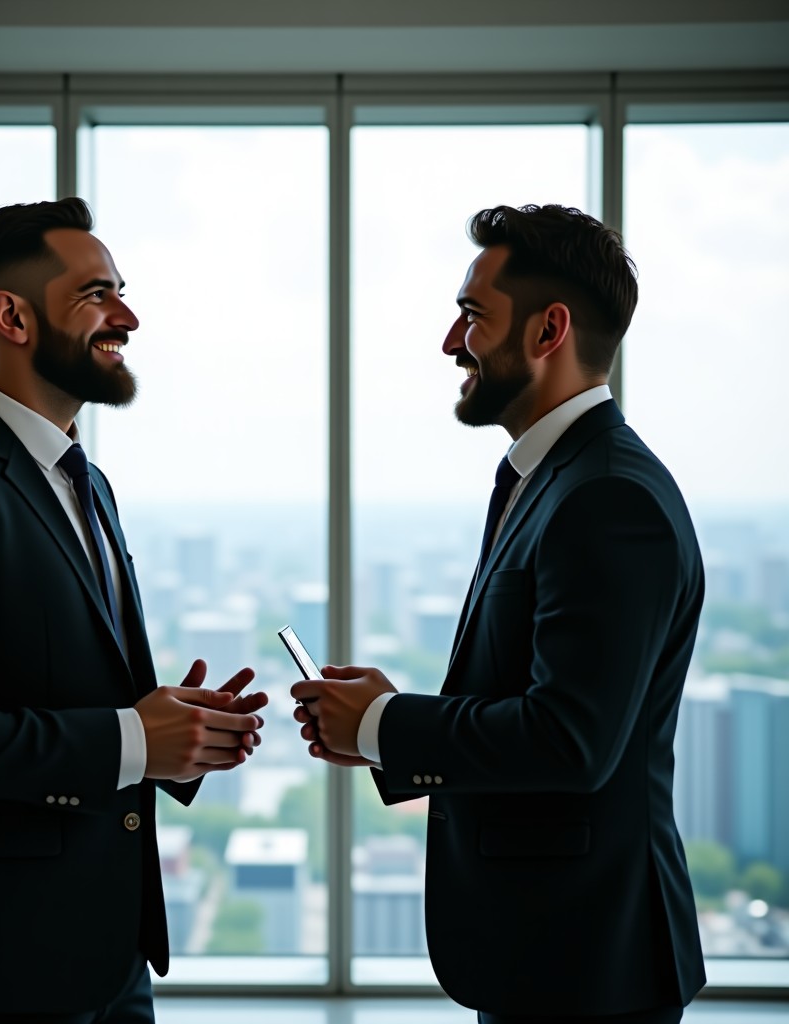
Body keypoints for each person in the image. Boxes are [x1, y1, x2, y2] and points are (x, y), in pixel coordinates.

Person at [0, 197, 267, 1023]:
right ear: (13, 317)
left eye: (121, 293)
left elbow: (74, 695)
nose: (128, 318)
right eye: (96, 295)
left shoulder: (87, 483)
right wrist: (131, 738)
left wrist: (175, 741)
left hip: (110, 955)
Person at [293, 205, 706, 1024]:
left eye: (473, 315)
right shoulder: (552, 480)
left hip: (588, 964)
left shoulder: (606, 498)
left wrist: (382, 725)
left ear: (549, 330)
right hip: (554, 953)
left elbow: (571, 739)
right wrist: (384, 724)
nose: (452, 342)